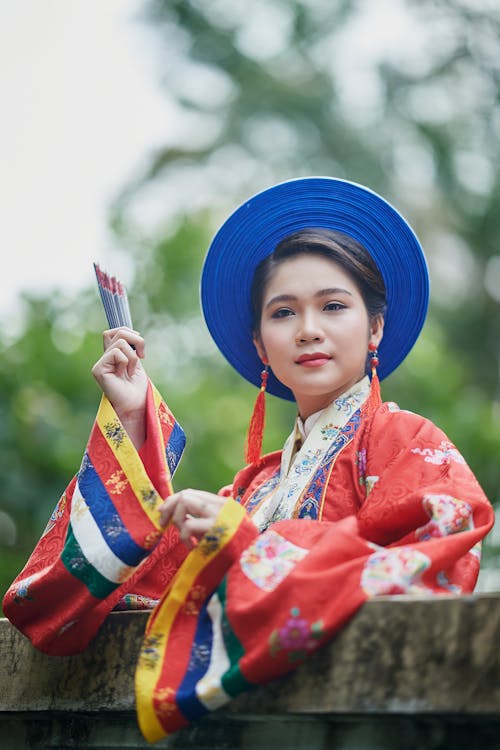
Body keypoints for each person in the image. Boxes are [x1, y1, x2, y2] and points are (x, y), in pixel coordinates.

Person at [3, 178, 494, 743]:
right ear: (261, 345)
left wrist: (251, 548)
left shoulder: (408, 442)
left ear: (375, 326)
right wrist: (135, 418)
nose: (309, 330)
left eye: (334, 306)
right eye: (283, 313)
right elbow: (113, 589)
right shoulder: (254, 487)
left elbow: (441, 560)